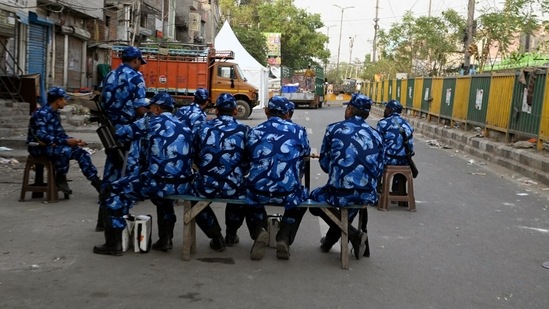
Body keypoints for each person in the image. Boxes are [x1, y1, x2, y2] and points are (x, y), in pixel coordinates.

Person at [93, 92, 194, 256]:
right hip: (182, 184)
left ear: (157, 108)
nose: (148, 110)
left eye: (150, 108)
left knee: (112, 190)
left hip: (157, 182)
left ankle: (114, 243)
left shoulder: (150, 121)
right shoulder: (184, 125)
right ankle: (165, 240)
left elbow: (121, 133)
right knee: (163, 198)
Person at [309, 94, 384, 259]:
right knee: (354, 201)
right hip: (368, 194)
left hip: (340, 192)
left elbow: (325, 165)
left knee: (314, 198)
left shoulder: (334, 129)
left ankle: (353, 235)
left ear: (349, 109)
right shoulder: (376, 135)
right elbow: (379, 169)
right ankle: (329, 241)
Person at [246, 95, 311, 260]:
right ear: (288, 114)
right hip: (287, 193)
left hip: (259, 192)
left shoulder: (255, 130)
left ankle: (260, 230)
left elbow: (248, 158)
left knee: (248, 195)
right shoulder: (298, 130)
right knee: (300, 199)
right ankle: (284, 237)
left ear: (267, 111)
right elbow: (305, 155)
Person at [191, 93, 256, 251]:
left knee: (193, 200)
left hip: (206, 185)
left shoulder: (202, 128)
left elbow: (194, 155)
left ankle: (216, 237)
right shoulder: (244, 130)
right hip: (234, 185)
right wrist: (237, 171)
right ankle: (231, 234)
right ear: (235, 111)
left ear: (216, 111)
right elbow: (249, 158)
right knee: (241, 192)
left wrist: (207, 170)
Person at [95, 46, 149, 232]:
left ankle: (103, 221)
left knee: (110, 176)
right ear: (135, 61)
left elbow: (101, 101)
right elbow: (140, 108)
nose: (140, 66)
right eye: (139, 63)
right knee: (128, 178)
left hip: (111, 132)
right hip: (129, 134)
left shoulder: (109, 76)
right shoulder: (135, 77)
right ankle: (120, 226)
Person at [27, 87, 101, 195]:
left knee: (80, 152)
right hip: (38, 147)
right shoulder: (41, 113)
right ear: (58, 100)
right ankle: (60, 178)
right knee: (65, 150)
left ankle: (96, 182)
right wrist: (65, 142)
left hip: (52, 145)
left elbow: (60, 134)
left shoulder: (54, 113)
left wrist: (73, 141)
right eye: (64, 100)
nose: (66, 102)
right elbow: (41, 135)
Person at [376, 99, 414, 204]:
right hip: (405, 160)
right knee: (400, 163)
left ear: (389, 110)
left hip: (389, 159)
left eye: (386, 108)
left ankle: (377, 193)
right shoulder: (407, 125)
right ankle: (400, 193)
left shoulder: (383, 124)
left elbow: (378, 143)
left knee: (375, 160)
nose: (384, 110)